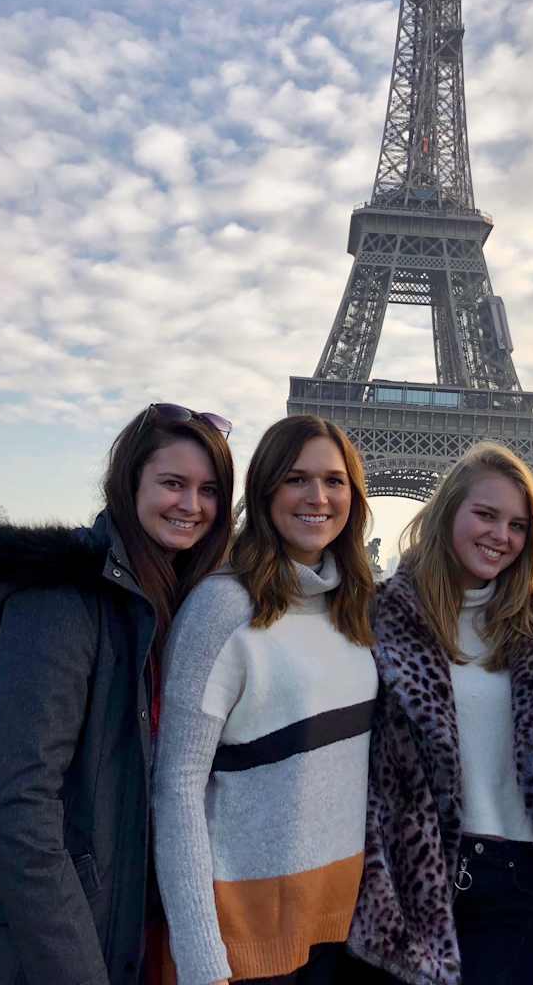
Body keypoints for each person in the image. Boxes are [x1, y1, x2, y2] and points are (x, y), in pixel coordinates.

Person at [0, 402, 235, 985]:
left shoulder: (183, 602)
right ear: (129, 482)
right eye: (173, 483)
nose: (192, 506)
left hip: (126, 928)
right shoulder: (60, 595)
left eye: (210, 490)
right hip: (51, 950)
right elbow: (22, 804)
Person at [349, 443, 533, 985]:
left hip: (522, 886)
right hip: (416, 884)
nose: (501, 536)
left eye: (517, 525)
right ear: (449, 512)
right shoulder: (382, 616)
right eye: (486, 515)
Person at [154, 414, 378, 984]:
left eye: (334, 481)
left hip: (337, 929)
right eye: (296, 479)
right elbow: (177, 786)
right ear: (265, 491)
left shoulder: (351, 609)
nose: (318, 497)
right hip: (245, 942)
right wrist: (203, 960)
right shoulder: (223, 608)